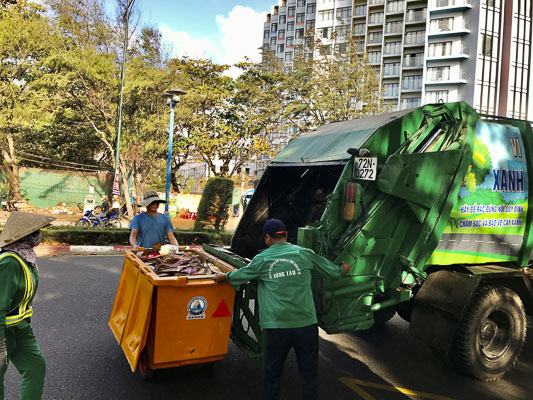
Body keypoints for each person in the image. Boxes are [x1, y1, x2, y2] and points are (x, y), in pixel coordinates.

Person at [213, 219, 350, 400]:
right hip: (306, 326)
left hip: (277, 328)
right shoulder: (304, 253)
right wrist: (343, 268)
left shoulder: (261, 259)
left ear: (267, 238)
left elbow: (240, 275)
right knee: (309, 375)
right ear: (285, 234)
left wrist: (223, 276)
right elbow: (333, 272)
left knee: (272, 376)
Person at [0, 212, 55, 400]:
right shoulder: (10, 263)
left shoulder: (26, 258)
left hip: (21, 330)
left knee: (35, 366)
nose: (39, 236)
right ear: (25, 237)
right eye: (36, 233)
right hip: (3, 332)